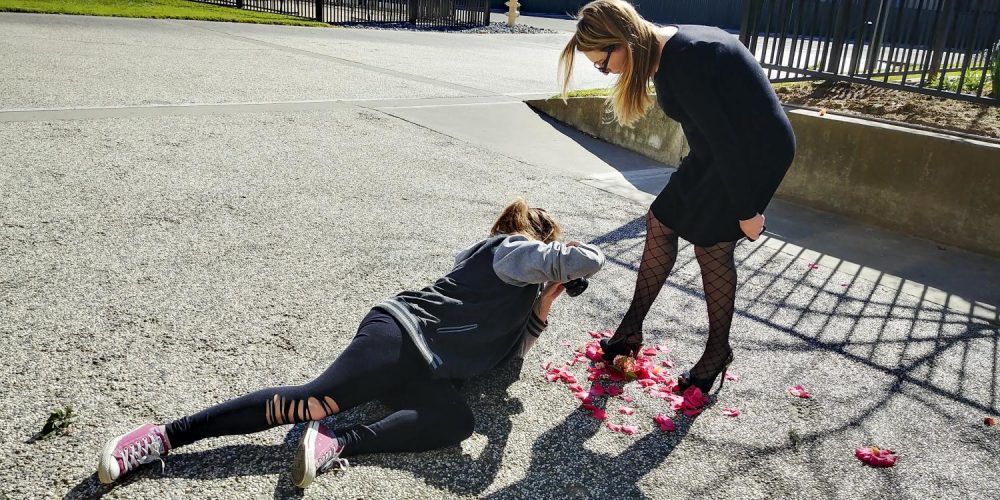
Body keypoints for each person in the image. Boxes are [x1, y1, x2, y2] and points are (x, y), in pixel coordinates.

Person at [96, 198, 605, 488]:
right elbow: (587, 260)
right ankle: (161, 436)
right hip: (402, 334)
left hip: (427, 371)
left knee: (457, 421)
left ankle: (335, 443)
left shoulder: (522, 299)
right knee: (309, 401)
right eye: (547, 258)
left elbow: (511, 360)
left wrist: (549, 297)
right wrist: (567, 261)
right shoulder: (508, 252)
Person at [558, 0, 795, 393]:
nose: (606, 71)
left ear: (623, 42)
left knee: (713, 248)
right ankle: (629, 332)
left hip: (752, 156)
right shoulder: (666, 47)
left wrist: (746, 211)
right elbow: (711, 125)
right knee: (661, 221)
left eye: (603, 62)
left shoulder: (684, 60)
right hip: (718, 151)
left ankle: (717, 352)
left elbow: (727, 140)